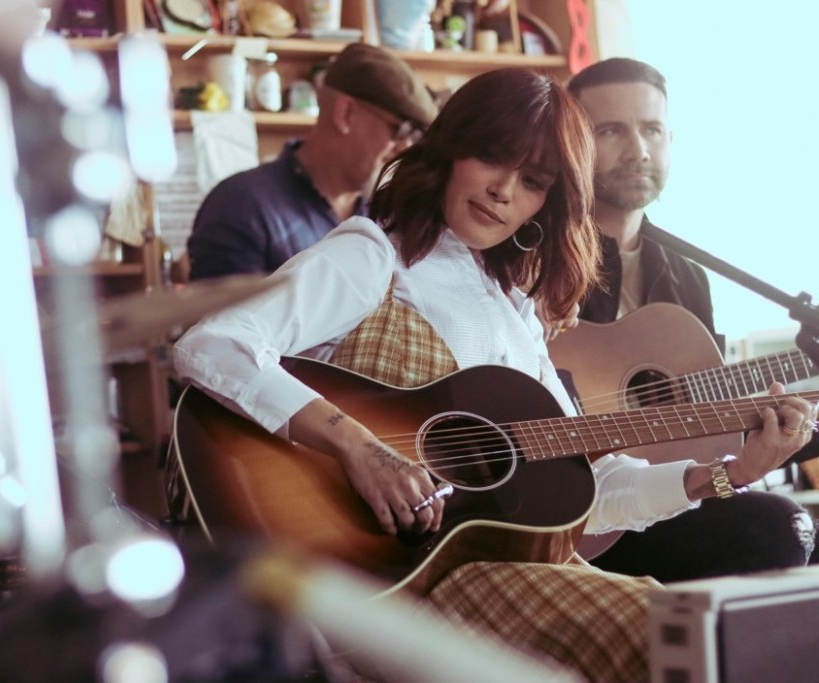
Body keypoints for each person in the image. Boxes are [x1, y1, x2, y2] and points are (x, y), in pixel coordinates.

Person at [173, 67, 817, 682]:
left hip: (518, 572)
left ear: (549, 202)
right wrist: (358, 446)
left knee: (717, 630)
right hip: (402, 581)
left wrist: (732, 474)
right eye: (490, 156)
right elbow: (212, 343)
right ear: (450, 152)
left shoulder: (514, 311)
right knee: (671, 637)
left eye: (533, 179)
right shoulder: (375, 256)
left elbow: (588, 497)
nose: (504, 190)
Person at [563, 57, 816, 582]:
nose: (637, 150)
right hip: (580, 517)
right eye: (611, 130)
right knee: (780, 526)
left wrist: (782, 430)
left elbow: (706, 430)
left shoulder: (685, 275)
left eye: (652, 130)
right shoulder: (538, 259)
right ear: (573, 144)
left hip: (675, 496)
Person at [185, 42, 437, 281]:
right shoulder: (241, 206)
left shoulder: (383, 217)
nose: (406, 149)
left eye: (415, 136)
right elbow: (221, 324)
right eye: (400, 131)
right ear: (346, 113)